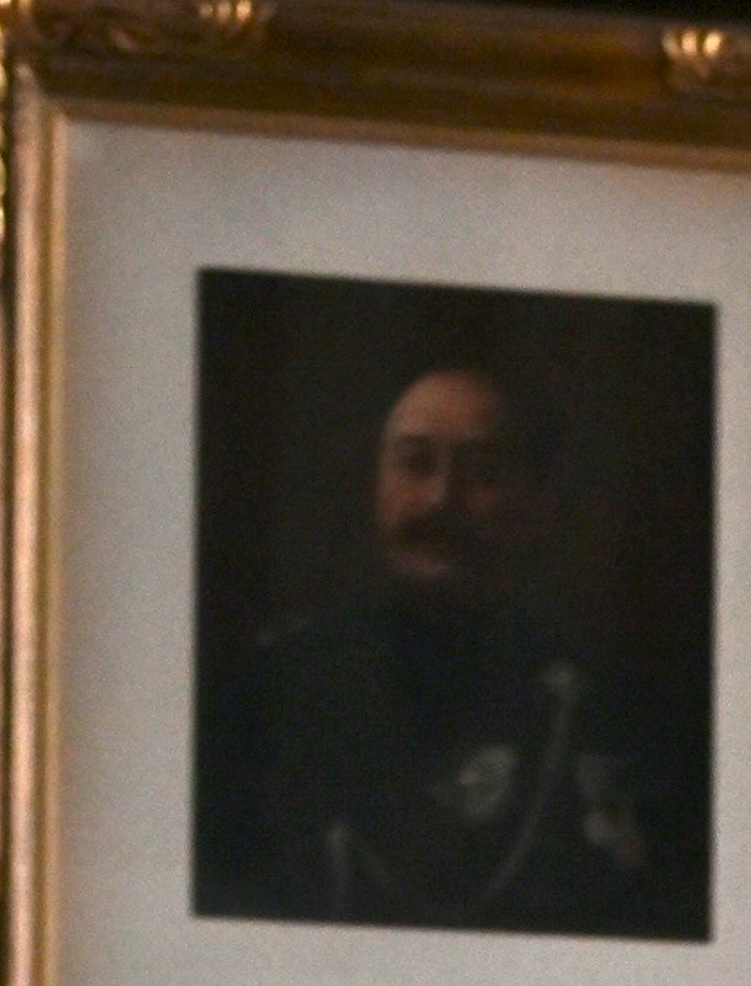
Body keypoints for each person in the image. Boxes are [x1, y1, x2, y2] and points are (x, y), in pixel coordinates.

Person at [193, 350, 704, 939]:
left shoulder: (617, 701)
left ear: (537, 505)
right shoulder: (273, 685)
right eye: (415, 465)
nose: (441, 499)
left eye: (483, 473)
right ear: (375, 485)